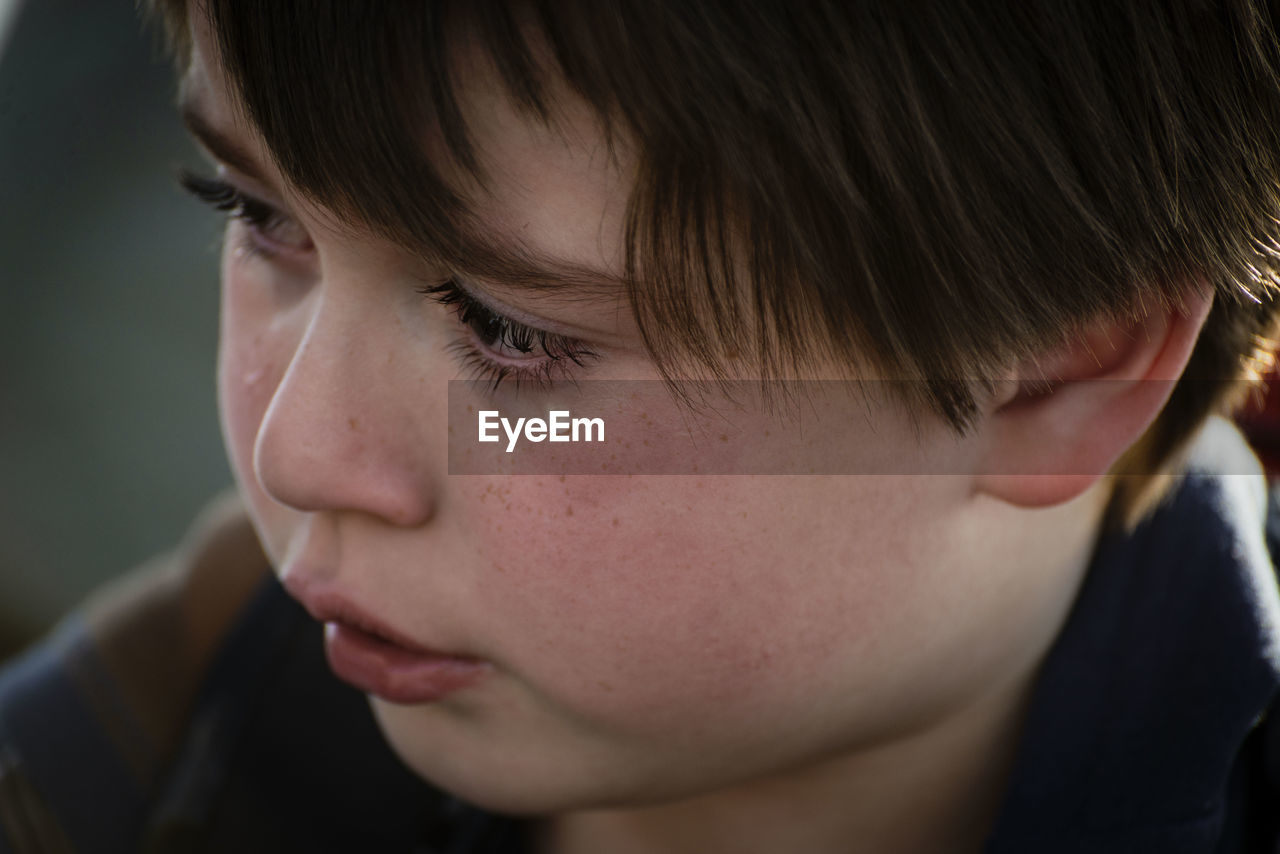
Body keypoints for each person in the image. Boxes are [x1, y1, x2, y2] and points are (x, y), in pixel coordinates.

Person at [2, 1, 1280, 851]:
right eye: (257, 213)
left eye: (510, 330)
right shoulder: (144, 738)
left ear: (1053, 369)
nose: (295, 451)